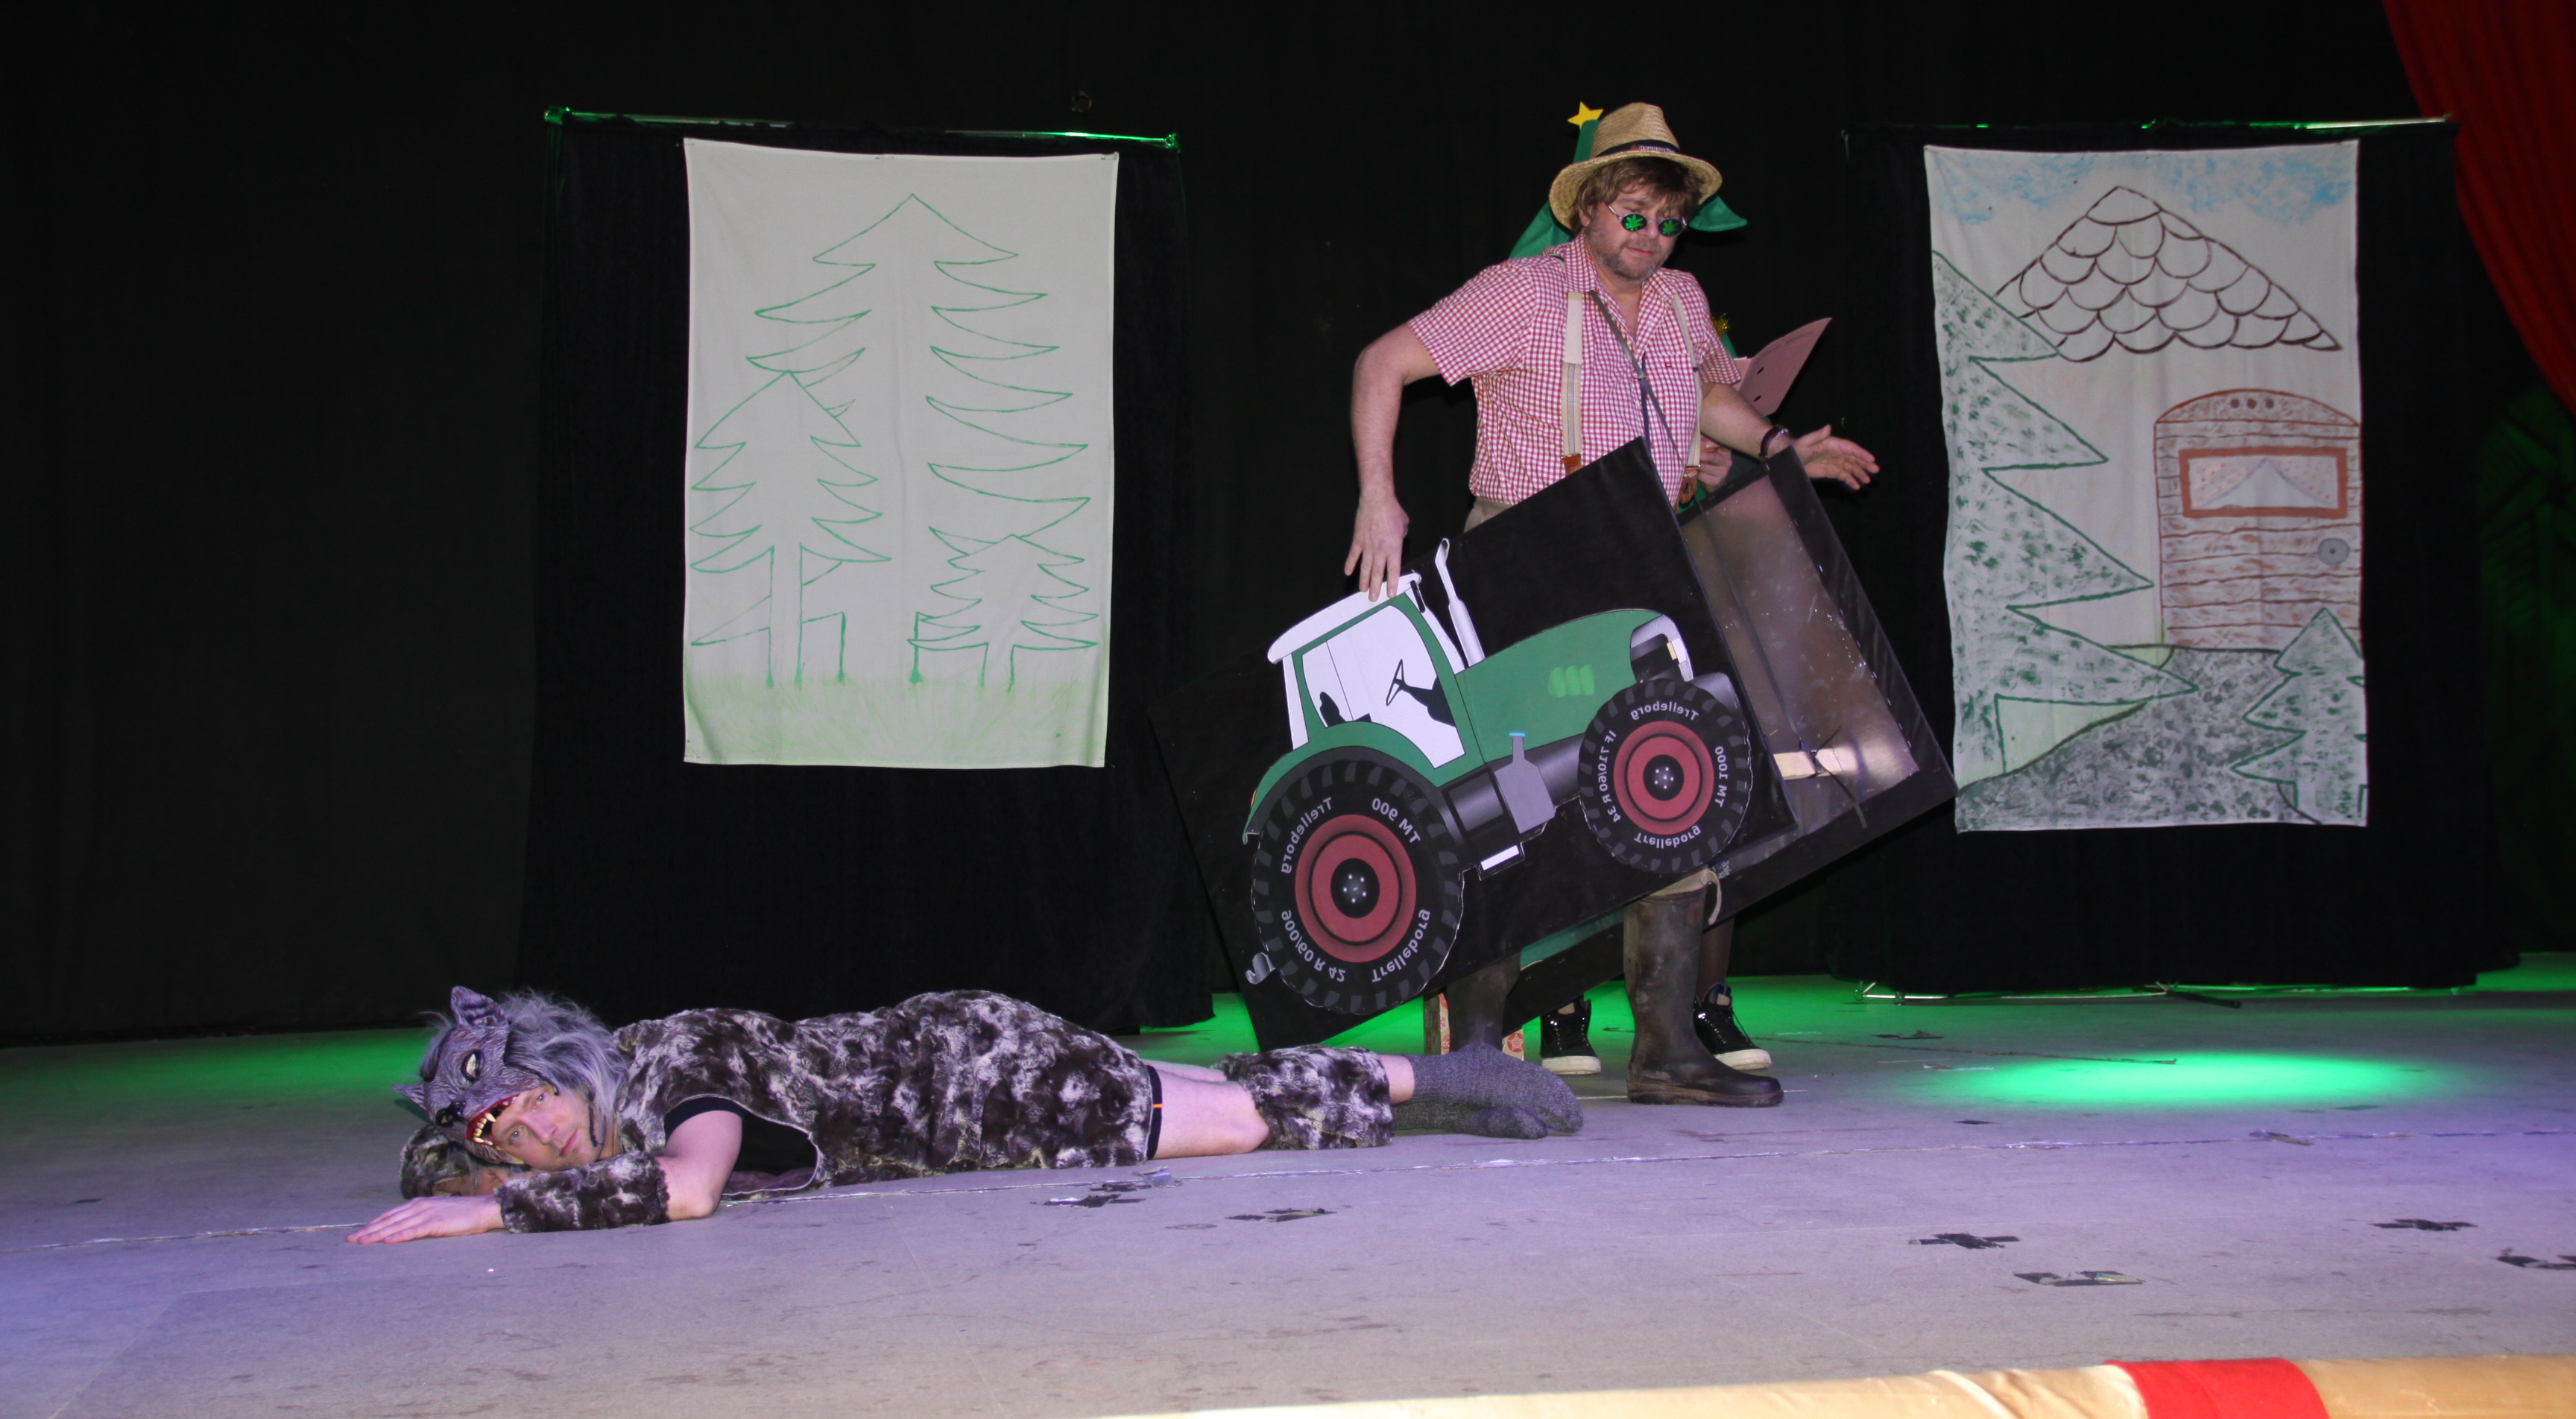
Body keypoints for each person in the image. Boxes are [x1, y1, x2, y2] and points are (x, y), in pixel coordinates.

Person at [1342, 102, 1877, 1109]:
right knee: (1514, 803)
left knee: (1672, 786)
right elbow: (1383, 362)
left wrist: (1778, 447)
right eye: (1632, 216)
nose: (1651, 237)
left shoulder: (1680, 300)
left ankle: (1666, 1049)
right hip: (1525, 557)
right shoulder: (1520, 293)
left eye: (1668, 222)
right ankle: (1476, 1059)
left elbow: (1708, 394)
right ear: (1586, 210)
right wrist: (1381, 495)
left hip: (1638, 562)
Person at [350, 984, 1583, 1242]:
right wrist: (465, 1172)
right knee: (1222, 1099)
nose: (534, 1137)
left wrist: (501, 1213)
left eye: (528, 1104)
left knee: (1235, 1122)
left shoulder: (674, 1060)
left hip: (985, 1082)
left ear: (565, 1062)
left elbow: (689, 1189)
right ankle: (1446, 1077)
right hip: (973, 1070)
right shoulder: (620, 1095)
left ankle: (1454, 1079)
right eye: (500, 1138)